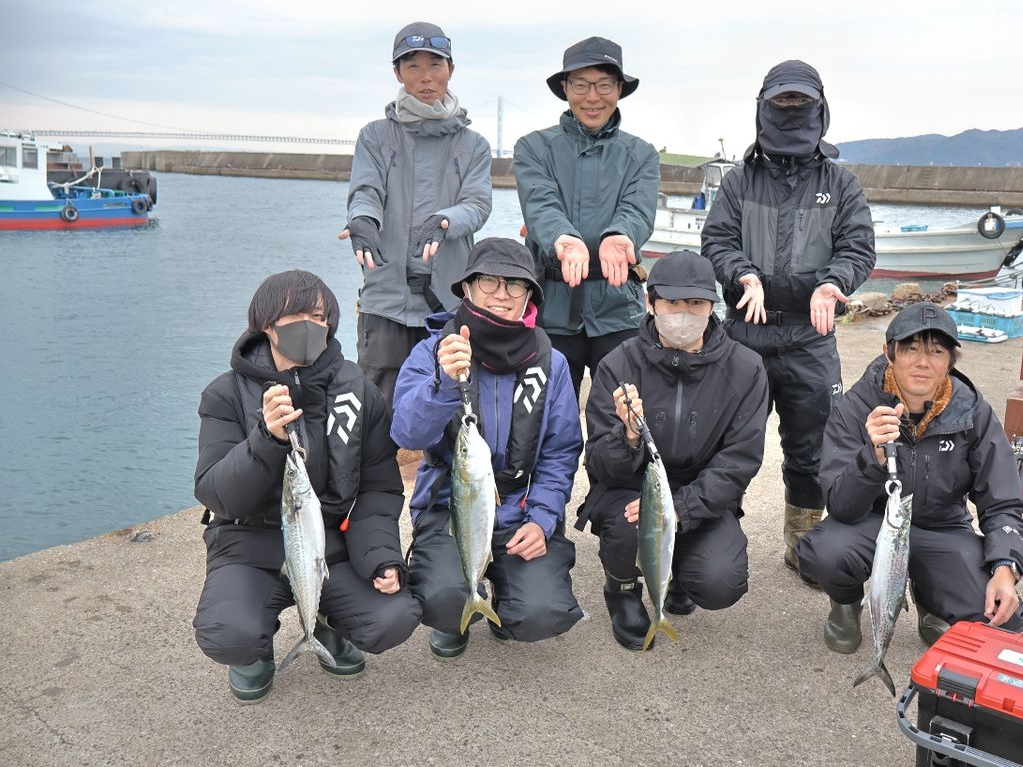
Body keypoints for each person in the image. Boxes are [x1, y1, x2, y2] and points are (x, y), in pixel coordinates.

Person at [193, 270, 421, 703]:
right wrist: (266, 439)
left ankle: (326, 622)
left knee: (393, 616)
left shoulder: (358, 391)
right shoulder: (224, 394)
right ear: (266, 324)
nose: (308, 325)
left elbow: (379, 489)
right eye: (294, 314)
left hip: (327, 541)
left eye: (318, 316)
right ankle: (254, 651)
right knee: (227, 634)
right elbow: (215, 492)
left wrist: (382, 557)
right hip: (247, 544)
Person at [701, 59, 876, 577]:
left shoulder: (841, 184)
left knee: (815, 448)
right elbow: (716, 241)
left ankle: (802, 540)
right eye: (783, 102)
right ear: (763, 107)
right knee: (723, 440)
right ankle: (712, 533)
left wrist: (833, 282)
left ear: (821, 110)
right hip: (744, 334)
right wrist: (742, 276)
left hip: (811, 338)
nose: (792, 110)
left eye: (802, 102)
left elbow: (859, 247)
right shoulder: (738, 182)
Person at [796, 302, 1023, 653]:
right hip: (873, 522)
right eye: (910, 349)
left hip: (943, 527)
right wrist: (871, 458)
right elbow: (840, 504)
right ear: (888, 353)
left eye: (936, 351)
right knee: (825, 552)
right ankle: (845, 605)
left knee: (1005, 618)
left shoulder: (974, 412)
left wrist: (1006, 567)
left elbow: (1004, 500)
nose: (923, 362)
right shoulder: (857, 406)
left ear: (951, 360)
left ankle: (930, 597)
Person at [391, 237, 585, 658]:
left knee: (540, 612)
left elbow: (561, 452)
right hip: (451, 506)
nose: (501, 293)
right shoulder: (433, 352)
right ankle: (458, 606)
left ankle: (508, 601)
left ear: (529, 295)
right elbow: (406, 434)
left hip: (519, 506)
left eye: (515, 284)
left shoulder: (552, 363)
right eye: (488, 281)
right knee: (441, 597)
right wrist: (442, 383)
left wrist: (544, 518)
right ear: (466, 289)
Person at [580, 251, 770, 650]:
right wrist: (628, 436)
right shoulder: (617, 364)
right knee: (627, 527)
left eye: (696, 303)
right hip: (630, 489)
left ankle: (678, 574)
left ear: (712, 307)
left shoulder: (746, 368)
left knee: (720, 580)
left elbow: (739, 461)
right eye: (673, 303)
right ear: (650, 303)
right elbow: (599, 463)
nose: (684, 314)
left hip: (700, 493)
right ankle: (622, 587)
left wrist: (680, 509)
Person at [339, 21, 492, 401]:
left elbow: (477, 204)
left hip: (448, 302)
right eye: (413, 67)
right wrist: (362, 220)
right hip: (385, 304)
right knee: (377, 412)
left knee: (451, 407)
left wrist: (445, 221)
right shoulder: (374, 136)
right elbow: (366, 191)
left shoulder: (474, 145)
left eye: (435, 65)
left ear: (450, 70)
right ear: (398, 73)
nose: (426, 77)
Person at [513, 35, 660, 399]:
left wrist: (620, 234)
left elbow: (637, 209)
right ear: (565, 88)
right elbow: (540, 203)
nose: (592, 97)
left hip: (618, 308)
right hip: (550, 308)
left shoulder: (642, 154)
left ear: (619, 88)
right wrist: (564, 238)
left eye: (604, 85)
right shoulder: (532, 148)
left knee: (623, 416)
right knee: (542, 417)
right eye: (581, 85)